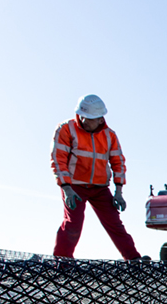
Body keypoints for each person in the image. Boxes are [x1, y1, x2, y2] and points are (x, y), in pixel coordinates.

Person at [50, 94, 143, 260]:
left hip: (99, 188)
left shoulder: (109, 136)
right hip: (75, 187)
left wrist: (119, 192)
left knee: (115, 224)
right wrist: (67, 189)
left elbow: (118, 163)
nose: (84, 121)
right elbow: (58, 161)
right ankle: (62, 263)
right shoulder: (65, 129)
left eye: (89, 118)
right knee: (73, 225)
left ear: (100, 119)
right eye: (82, 117)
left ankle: (133, 259)